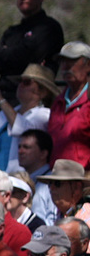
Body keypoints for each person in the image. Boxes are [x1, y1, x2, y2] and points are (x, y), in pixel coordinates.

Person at [0, 0, 65, 104]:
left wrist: (3, 53)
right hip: (5, 100)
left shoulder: (49, 28)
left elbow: (27, 57)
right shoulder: (12, 31)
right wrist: (17, 53)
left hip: (34, 101)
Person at [48, 41, 90, 169]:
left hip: (84, 179)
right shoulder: (58, 102)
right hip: (58, 178)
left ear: (88, 65)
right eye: (62, 62)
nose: (65, 67)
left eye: (71, 61)